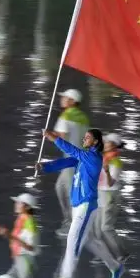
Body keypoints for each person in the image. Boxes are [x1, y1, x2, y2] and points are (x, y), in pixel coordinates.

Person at [38, 129, 124, 278]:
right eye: (84, 136)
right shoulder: (83, 157)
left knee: (73, 240)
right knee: (90, 241)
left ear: (96, 142)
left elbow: (72, 150)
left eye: (88, 137)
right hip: (77, 206)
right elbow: (68, 161)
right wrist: (45, 167)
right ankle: (116, 267)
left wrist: (54, 138)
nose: (84, 138)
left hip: (86, 206)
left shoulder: (93, 157)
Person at [52, 89, 89, 238]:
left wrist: (48, 134)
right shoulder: (84, 118)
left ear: (72, 101)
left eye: (65, 98)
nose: (62, 100)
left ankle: (74, 226)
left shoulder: (66, 115)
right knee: (60, 188)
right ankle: (70, 221)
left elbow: (60, 137)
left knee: (68, 192)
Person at [95, 133, 128, 263]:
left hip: (110, 196)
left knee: (106, 227)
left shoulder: (116, 162)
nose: (105, 144)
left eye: (108, 142)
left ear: (114, 146)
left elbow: (110, 183)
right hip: (100, 194)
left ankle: (122, 254)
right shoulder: (104, 157)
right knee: (97, 227)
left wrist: (107, 171)